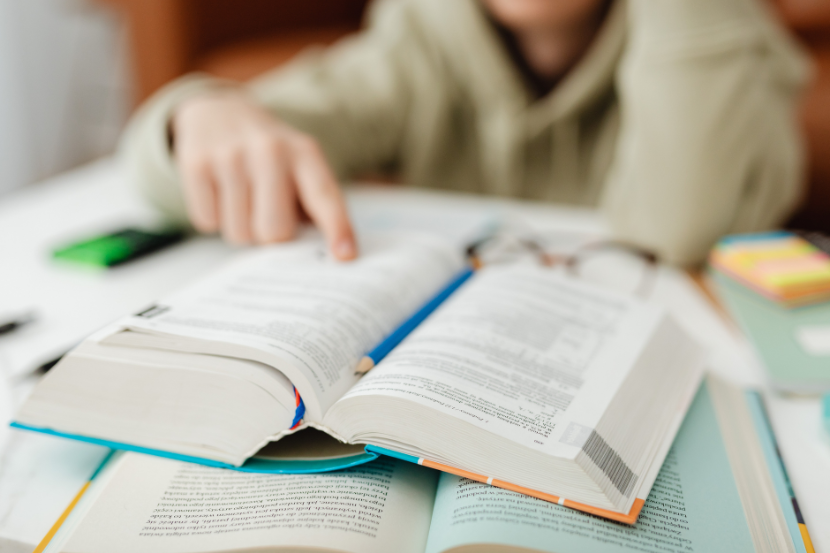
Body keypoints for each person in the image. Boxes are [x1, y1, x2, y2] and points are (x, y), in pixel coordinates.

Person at [121, 0, 809, 265]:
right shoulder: (419, 43)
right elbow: (181, 166)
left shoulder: (722, 49)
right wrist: (198, 117)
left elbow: (676, 235)